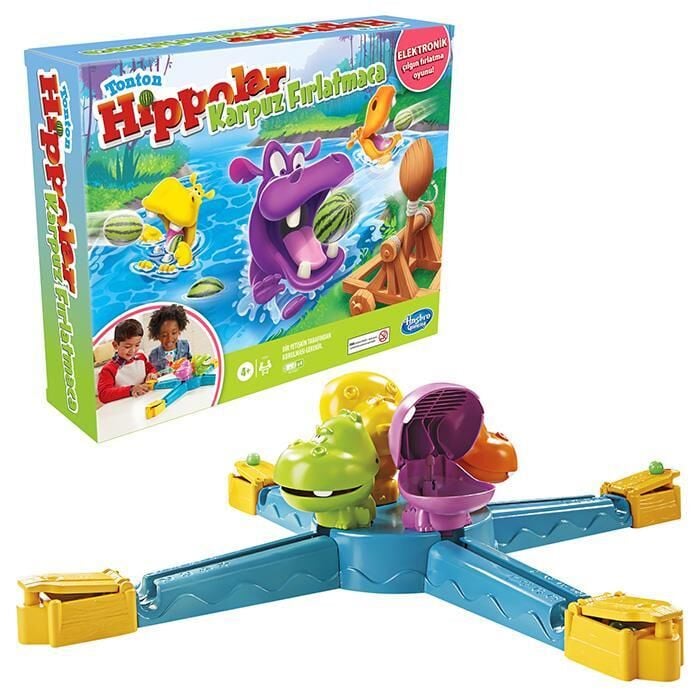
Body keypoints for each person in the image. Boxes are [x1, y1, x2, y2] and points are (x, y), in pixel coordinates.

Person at [97, 318, 157, 404]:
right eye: (127, 347)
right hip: (123, 407)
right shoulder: (109, 369)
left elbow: (151, 369)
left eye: (137, 345)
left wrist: (152, 374)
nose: (133, 350)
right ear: (115, 345)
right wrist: (131, 390)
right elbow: (104, 394)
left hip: (144, 401)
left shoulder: (141, 357)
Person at [148, 304, 192, 372]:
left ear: (179, 331)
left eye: (174, 333)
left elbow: (191, 364)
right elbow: (154, 374)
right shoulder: (153, 355)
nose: (169, 339)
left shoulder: (185, 345)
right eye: (164, 335)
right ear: (157, 335)